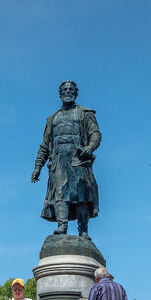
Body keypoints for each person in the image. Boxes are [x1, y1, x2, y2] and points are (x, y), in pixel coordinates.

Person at [31, 80, 100, 237]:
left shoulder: (84, 113)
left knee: (82, 194)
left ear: (75, 93)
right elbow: (44, 145)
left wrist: (89, 147)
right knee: (60, 193)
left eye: (71, 90)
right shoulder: (52, 119)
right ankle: (62, 226)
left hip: (79, 158)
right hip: (59, 160)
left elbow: (95, 134)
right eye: (64, 90)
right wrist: (37, 167)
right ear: (60, 94)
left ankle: (83, 229)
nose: (68, 92)